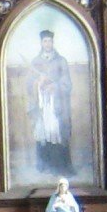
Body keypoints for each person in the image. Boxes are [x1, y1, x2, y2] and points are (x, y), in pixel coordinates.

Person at [28, 29, 74, 176]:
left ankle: (61, 166)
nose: (47, 44)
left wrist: (55, 86)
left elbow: (67, 83)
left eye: (49, 41)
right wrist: (38, 83)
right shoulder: (35, 62)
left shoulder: (61, 61)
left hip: (56, 104)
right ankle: (45, 165)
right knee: (43, 132)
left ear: (52, 42)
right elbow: (29, 84)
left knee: (57, 132)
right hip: (43, 105)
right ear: (41, 43)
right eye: (45, 41)